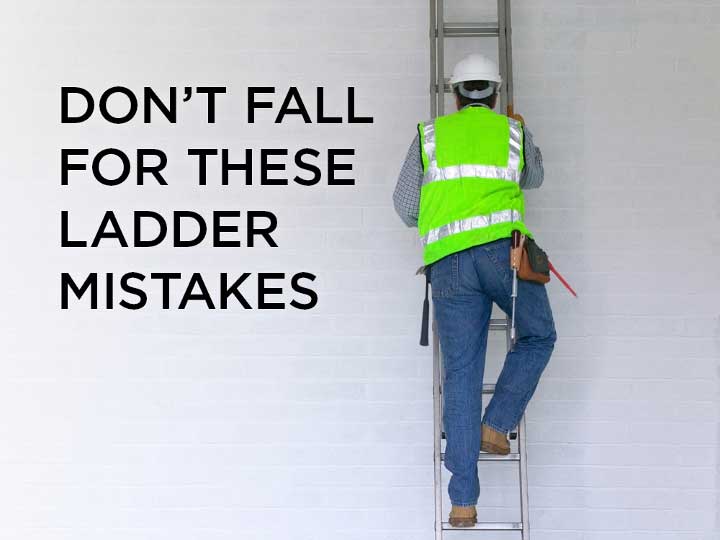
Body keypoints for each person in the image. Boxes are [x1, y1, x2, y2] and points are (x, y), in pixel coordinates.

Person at [392, 53, 557, 528]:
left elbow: (405, 208)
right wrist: (523, 130)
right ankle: (496, 423)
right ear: (496, 93)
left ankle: (463, 503)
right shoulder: (511, 133)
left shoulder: (430, 135)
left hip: (448, 265)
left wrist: (445, 214)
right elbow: (536, 177)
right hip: (503, 257)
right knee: (538, 335)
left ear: (455, 93)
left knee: (461, 377)